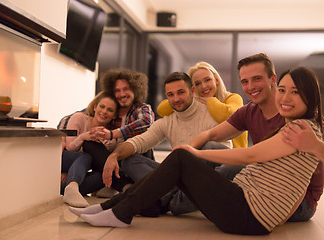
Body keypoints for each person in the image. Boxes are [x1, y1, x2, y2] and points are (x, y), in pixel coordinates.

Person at [70, 66, 323, 235]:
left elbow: (250, 155)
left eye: (295, 92)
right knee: (166, 160)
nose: (285, 98)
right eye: (282, 91)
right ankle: (115, 206)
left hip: (247, 212)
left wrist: (197, 154)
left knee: (182, 156)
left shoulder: (301, 128)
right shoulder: (300, 127)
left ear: (310, 97)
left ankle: (120, 210)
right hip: (244, 204)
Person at [189, 53, 324, 222]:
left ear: (272, 79)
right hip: (261, 179)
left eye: (257, 79)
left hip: (297, 199)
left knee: (229, 169)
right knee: (208, 147)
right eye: (245, 82)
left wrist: (316, 145)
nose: (251, 86)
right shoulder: (250, 111)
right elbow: (212, 134)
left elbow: (298, 175)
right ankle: (172, 193)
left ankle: (173, 203)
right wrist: (187, 150)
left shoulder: (302, 119)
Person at [100, 71, 231, 215]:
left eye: (181, 92)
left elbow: (224, 158)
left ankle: (161, 199)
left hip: (203, 183)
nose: (176, 99)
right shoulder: (168, 121)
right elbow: (140, 141)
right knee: (129, 160)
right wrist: (114, 156)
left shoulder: (211, 113)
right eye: (170, 95)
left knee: (208, 148)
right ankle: (167, 199)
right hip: (178, 180)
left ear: (192, 91)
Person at [79, 68, 156, 196]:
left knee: (138, 145)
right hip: (114, 165)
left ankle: (119, 186)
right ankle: (125, 187)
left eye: (126, 89)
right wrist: (63, 133)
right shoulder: (111, 111)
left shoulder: (142, 108)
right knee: (89, 144)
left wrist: (113, 134)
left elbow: (146, 122)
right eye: (117, 90)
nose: (121, 94)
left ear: (135, 89)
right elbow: (83, 114)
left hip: (136, 163)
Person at [157, 61, 247, 148]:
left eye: (207, 80)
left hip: (235, 158)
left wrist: (210, 101)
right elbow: (161, 110)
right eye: (198, 83)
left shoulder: (233, 98)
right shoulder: (197, 104)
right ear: (192, 88)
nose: (203, 86)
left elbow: (229, 118)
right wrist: (184, 97)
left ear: (216, 80)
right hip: (207, 157)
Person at [61, 91, 119, 207]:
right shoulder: (79, 118)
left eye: (110, 110)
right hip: (64, 160)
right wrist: (83, 137)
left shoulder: (111, 138)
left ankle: (67, 190)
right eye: (102, 107)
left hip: (77, 171)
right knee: (86, 156)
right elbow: (69, 148)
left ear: (114, 115)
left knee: (102, 176)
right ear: (95, 107)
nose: (104, 112)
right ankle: (72, 186)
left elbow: (98, 163)